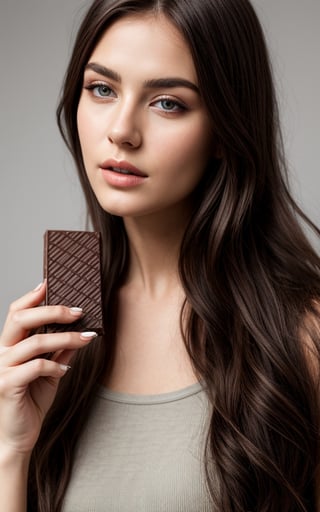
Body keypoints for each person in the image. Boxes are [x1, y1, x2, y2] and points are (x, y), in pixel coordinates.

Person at [0, 0, 319, 510]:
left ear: (225, 128)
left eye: (168, 102)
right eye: (102, 89)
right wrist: (10, 451)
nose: (121, 130)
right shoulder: (56, 331)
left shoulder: (301, 336)